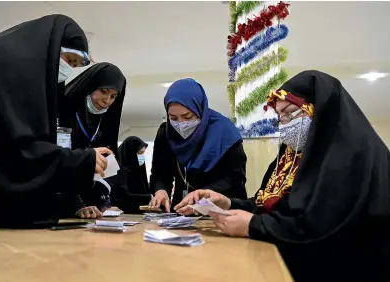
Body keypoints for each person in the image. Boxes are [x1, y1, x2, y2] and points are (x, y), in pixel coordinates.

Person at [175, 71, 390, 282]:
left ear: (321, 109)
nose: (285, 124)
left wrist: (254, 226)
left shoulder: (350, 155)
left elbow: (325, 227)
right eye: (280, 117)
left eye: (291, 113)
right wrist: (227, 203)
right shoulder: (291, 155)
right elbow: (271, 205)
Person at [0, 15, 112, 233]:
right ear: (50, 47)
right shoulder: (0, 64)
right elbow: (10, 155)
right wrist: (81, 160)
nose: (66, 70)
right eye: (68, 60)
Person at [149, 78, 248, 212]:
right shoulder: (166, 133)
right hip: (183, 209)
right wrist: (161, 190)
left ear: (199, 109)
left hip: (221, 207)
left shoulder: (224, 132)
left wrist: (202, 194)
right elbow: (160, 172)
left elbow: (235, 177)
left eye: (188, 117)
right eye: (173, 118)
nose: (181, 124)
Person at [58, 62, 127, 219]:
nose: (107, 101)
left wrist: (104, 203)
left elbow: (106, 165)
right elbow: (60, 160)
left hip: (86, 207)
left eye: (113, 96)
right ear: (90, 86)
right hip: (58, 200)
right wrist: (77, 204)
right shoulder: (62, 110)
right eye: (103, 92)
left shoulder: (103, 121)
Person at [110, 136, 153, 213]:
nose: (142, 156)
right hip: (122, 215)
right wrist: (150, 197)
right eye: (140, 153)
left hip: (139, 215)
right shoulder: (117, 170)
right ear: (130, 152)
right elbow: (124, 196)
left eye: (143, 153)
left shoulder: (137, 170)